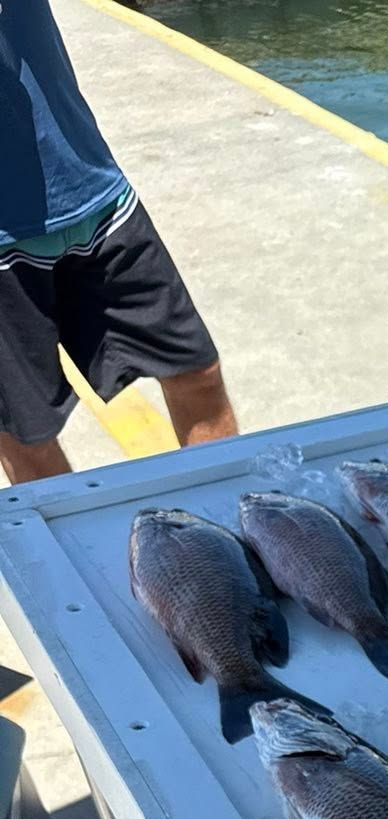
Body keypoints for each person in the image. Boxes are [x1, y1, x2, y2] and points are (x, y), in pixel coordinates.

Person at [1, 0, 237, 485]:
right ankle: (79, 555)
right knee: (27, 436)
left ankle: (230, 529)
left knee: (197, 373)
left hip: (90, 185)